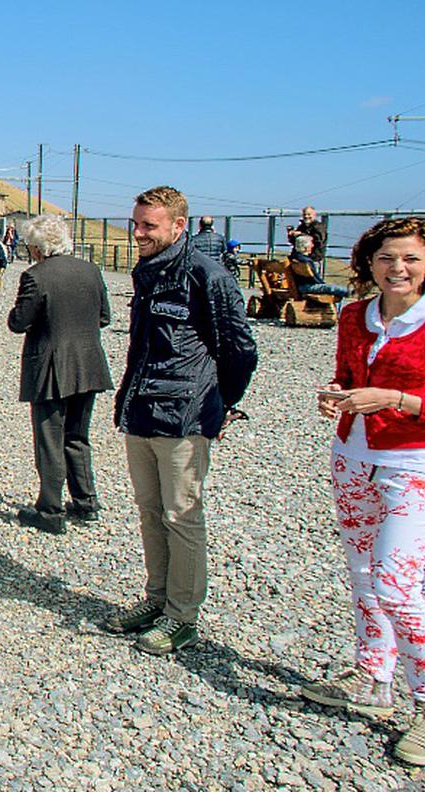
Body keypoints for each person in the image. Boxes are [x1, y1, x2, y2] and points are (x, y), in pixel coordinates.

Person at [301, 216, 425, 768]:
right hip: (352, 457)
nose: (397, 268)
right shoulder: (356, 315)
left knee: (395, 583)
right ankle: (372, 676)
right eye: (387, 258)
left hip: (417, 465)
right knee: (362, 574)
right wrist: (336, 395)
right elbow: (345, 375)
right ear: (369, 262)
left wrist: (398, 400)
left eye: (409, 258)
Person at [104, 186, 258, 655]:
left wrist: (222, 404)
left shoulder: (206, 275)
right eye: (136, 224)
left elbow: (240, 349)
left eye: (149, 226)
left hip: (184, 414)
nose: (138, 234)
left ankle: (182, 617)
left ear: (178, 226)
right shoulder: (148, 271)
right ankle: (157, 600)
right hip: (143, 408)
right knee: (151, 512)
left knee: (182, 516)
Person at [6, 214, 113, 534]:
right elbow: (104, 317)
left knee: (50, 439)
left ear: (38, 248)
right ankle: (85, 500)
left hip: (51, 365)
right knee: (78, 435)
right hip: (89, 363)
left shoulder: (36, 277)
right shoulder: (90, 271)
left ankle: (50, 509)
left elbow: (18, 322)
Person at [289, 235, 348, 299]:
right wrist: (323, 285)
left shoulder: (294, 258)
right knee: (337, 289)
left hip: (299, 286)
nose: (312, 246)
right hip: (307, 287)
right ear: (305, 247)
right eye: (311, 243)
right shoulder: (306, 261)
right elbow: (315, 278)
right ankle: (353, 294)